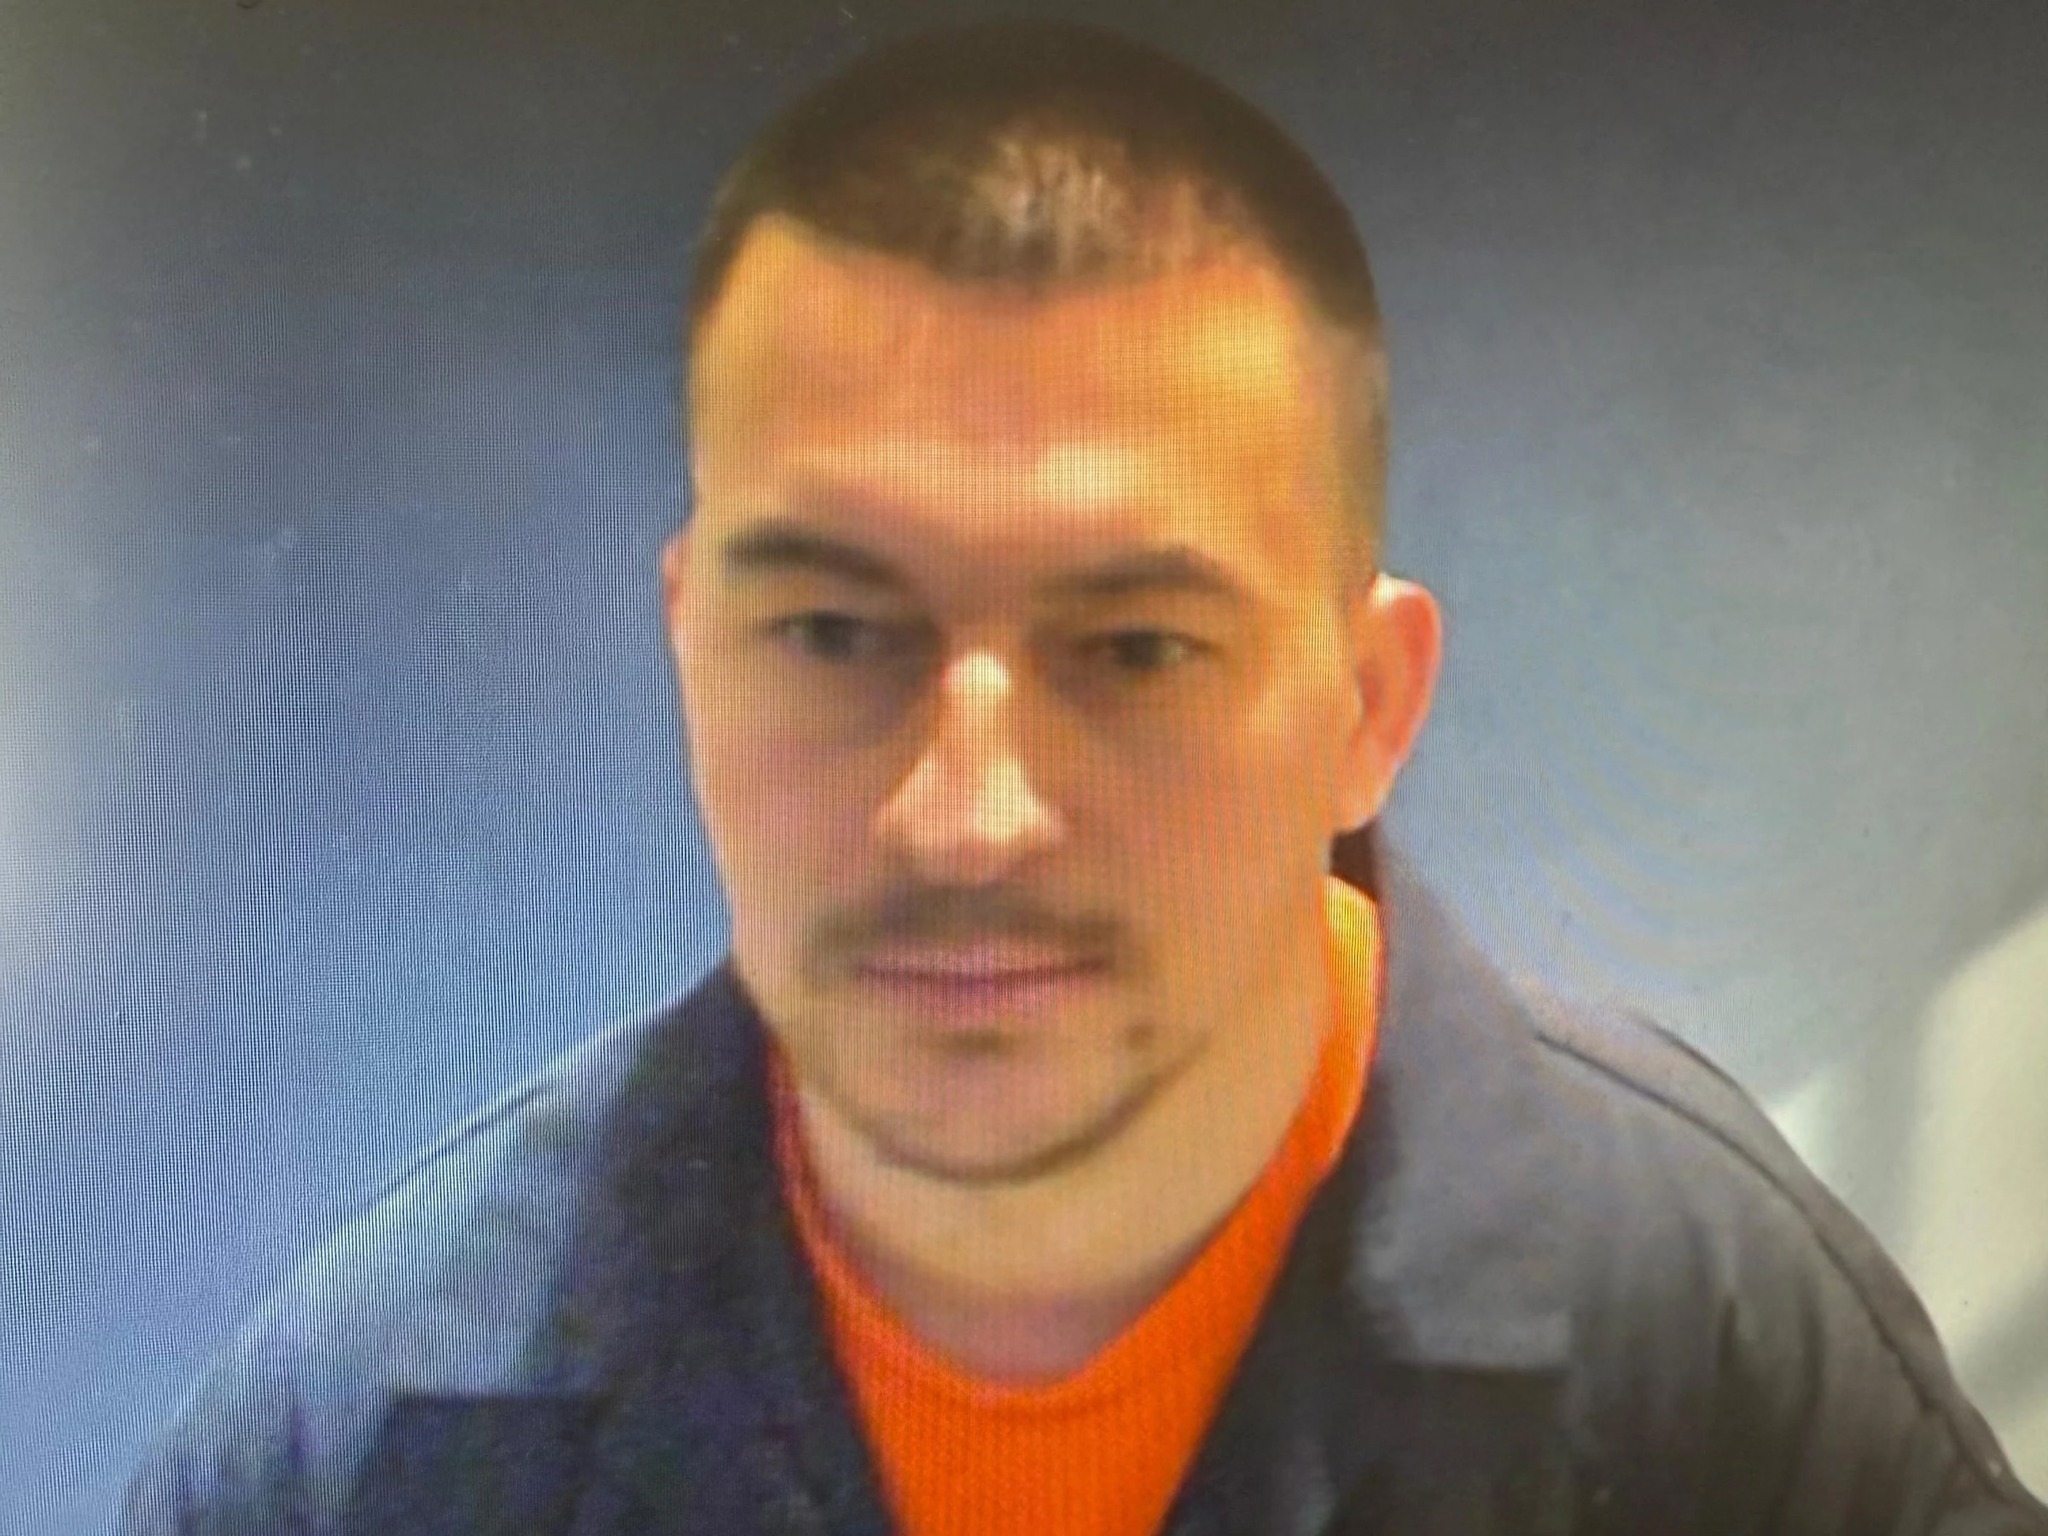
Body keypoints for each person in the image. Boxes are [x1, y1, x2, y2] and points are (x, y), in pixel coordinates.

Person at [120, 19, 2045, 1535]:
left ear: (1368, 706)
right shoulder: (352, 1466)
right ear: (691, 653)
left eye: (1134, 650)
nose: (966, 819)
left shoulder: (1720, 1356)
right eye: (834, 633)